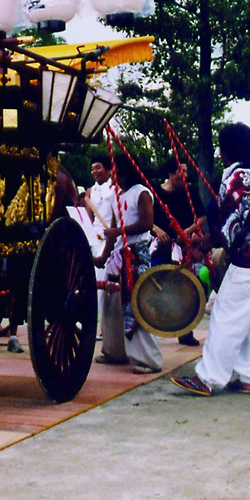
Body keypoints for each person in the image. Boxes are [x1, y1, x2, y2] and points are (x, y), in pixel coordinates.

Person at [171, 123, 250, 396]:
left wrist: (203, 245)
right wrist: (207, 243)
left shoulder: (235, 179)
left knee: (226, 315)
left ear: (224, 151)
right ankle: (249, 377)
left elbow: (231, 227)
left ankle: (208, 379)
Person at [94, 151, 163, 374]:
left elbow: (147, 223)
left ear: (123, 172)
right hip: (118, 256)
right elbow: (113, 233)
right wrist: (103, 257)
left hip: (138, 254)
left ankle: (149, 360)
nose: (112, 175)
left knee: (137, 304)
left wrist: (118, 230)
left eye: (115, 171)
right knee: (111, 302)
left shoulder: (141, 193)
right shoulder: (118, 196)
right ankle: (115, 352)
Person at [152, 155, 207, 346]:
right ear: (171, 173)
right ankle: (154, 326)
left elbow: (201, 217)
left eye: (186, 171)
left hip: (183, 245)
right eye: (181, 171)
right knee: (156, 283)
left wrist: (187, 232)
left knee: (186, 287)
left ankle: (186, 331)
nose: (184, 175)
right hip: (160, 245)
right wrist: (157, 231)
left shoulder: (190, 192)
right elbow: (147, 216)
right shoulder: (156, 192)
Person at [85, 155, 115, 336]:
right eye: (93, 168)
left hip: (110, 238)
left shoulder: (115, 188)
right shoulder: (90, 192)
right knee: (92, 283)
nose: (95, 171)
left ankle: (105, 328)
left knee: (105, 284)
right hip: (94, 239)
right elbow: (89, 216)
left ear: (107, 169)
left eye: (98, 167)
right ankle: (93, 324)